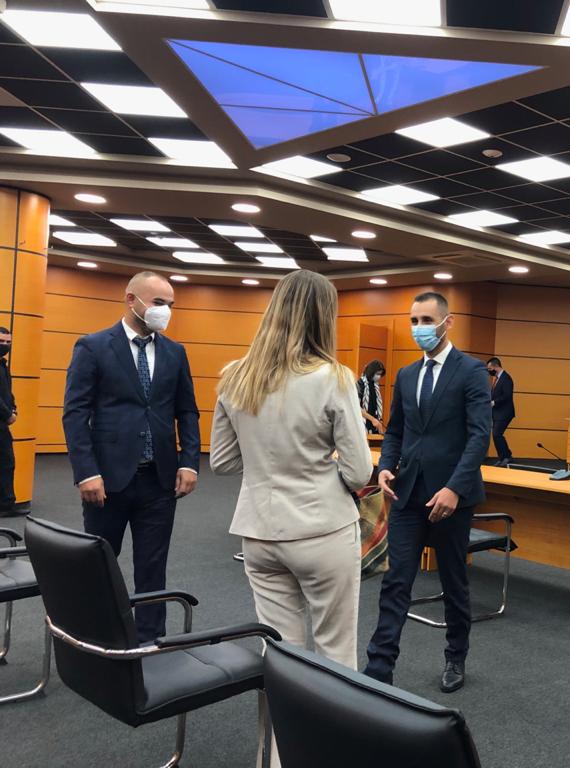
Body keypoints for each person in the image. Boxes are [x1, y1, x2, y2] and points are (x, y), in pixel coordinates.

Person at [210, 270, 372, 768]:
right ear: (325, 316)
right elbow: (359, 471)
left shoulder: (235, 375)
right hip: (323, 531)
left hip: (259, 534)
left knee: (281, 656)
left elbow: (222, 461)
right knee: (335, 656)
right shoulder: (334, 378)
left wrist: (268, 463)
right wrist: (318, 468)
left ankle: (280, 759)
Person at [62, 271, 200, 643]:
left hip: (160, 479)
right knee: (99, 563)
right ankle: (94, 637)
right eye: (158, 303)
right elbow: (75, 413)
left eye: (170, 304)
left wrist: (189, 461)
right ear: (131, 300)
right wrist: (86, 472)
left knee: (153, 568)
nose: (165, 311)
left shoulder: (175, 352)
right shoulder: (93, 346)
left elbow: (187, 411)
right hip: (106, 480)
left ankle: (150, 642)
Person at [364, 291, 490, 693]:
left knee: (453, 581)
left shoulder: (471, 371)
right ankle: (379, 669)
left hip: (452, 499)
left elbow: (479, 436)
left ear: (447, 322)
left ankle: (456, 656)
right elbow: (396, 431)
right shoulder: (406, 375)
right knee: (396, 580)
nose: (419, 328)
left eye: (426, 320)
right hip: (408, 494)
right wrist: (385, 466)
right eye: (414, 320)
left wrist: (455, 488)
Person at [0, 327, 17, 517]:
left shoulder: (3, 365)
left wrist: (14, 409)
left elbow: (7, 393)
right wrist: (8, 414)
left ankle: (6, 504)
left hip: (2, 423)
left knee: (6, 462)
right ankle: (5, 505)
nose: (5, 345)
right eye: (1, 341)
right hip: (1, 421)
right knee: (6, 462)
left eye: (8, 342)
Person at [486, 356, 515, 467]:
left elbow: (507, 396)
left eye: (490, 369)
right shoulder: (497, 379)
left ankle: (507, 456)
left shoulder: (506, 378)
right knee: (496, 435)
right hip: (497, 413)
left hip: (505, 413)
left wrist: (494, 402)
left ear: (496, 366)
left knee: (497, 434)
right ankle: (503, 457)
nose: (489, 371)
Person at [357, 359, 386, 434]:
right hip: (362, 425)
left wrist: (379, 421)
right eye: (377, 374)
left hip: (373, 426)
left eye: (380, 374)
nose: (379, 376)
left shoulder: (375, 386)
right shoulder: (360, 384)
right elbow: (356, 407)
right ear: (371, 372)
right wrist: (372, 419)